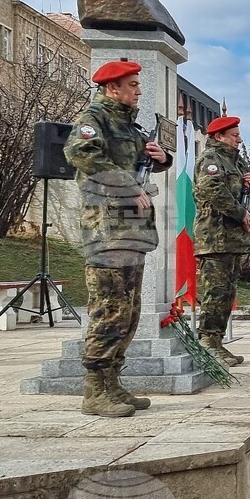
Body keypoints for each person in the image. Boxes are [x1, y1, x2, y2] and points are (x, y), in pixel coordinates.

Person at [63, 60, 172, 417]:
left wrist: (162, 158)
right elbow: (80, 153)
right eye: (133, 84)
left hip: (132, 232)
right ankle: (94, 391)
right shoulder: (94, 119)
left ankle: (112, 383)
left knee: (128, 312)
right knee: (109, 309)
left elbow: (142, 161)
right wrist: (127, 186)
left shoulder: (129, 125)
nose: (139, 90)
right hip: (106, 232)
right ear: (113, 88)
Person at [193, 115, 250, 366]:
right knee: (216, 292)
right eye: (234, 135)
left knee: (227, 292)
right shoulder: (211, 159)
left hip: (232, 239)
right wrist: (240, 213)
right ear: (219, 136)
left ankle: (217, 342)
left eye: (239, 135)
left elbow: (240, 188)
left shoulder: (235, 160)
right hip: (215, 237)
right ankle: (207, 342)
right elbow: (214, 191)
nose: (239, 140)